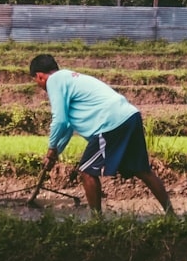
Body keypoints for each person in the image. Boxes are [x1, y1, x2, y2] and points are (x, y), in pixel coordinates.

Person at [30, 53, 174, 216]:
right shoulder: (68, 79)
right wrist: (56, 152)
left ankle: (97, 222)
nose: (38, 84)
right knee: (142, 170)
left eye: (35, 80)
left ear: (39, 76)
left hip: (109, 122)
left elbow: (59, 120)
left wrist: (50, 149)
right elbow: (68, 126)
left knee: (87, 171)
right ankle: (171, 215)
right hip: (129, 115)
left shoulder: (54, 81)